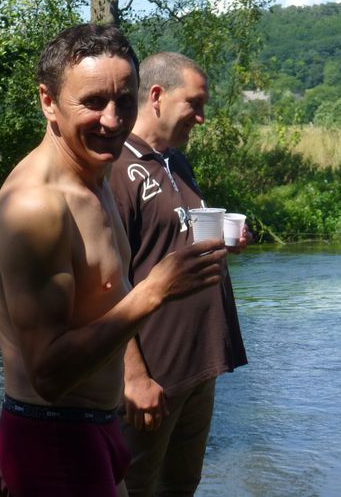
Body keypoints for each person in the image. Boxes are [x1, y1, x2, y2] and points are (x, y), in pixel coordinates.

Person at [0, 25, 226, 497]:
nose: (113, 121)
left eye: (123, 102)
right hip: (54, 435)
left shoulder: (98, 176)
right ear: (48, 101)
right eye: (92, 102)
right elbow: (49, 375)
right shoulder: (39, 208)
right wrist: (154, 291)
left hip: (98, 427)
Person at [108, 51, 248, 497]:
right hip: (153, 373)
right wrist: (134, 377)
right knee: (136, 486)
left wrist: (222, 243)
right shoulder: (117, 170)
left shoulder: (175, 161)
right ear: (156, 96)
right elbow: (108, 282)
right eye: (195, 103)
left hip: (197, 364)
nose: (202, 117)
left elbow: (173, 244)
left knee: (182, 485)